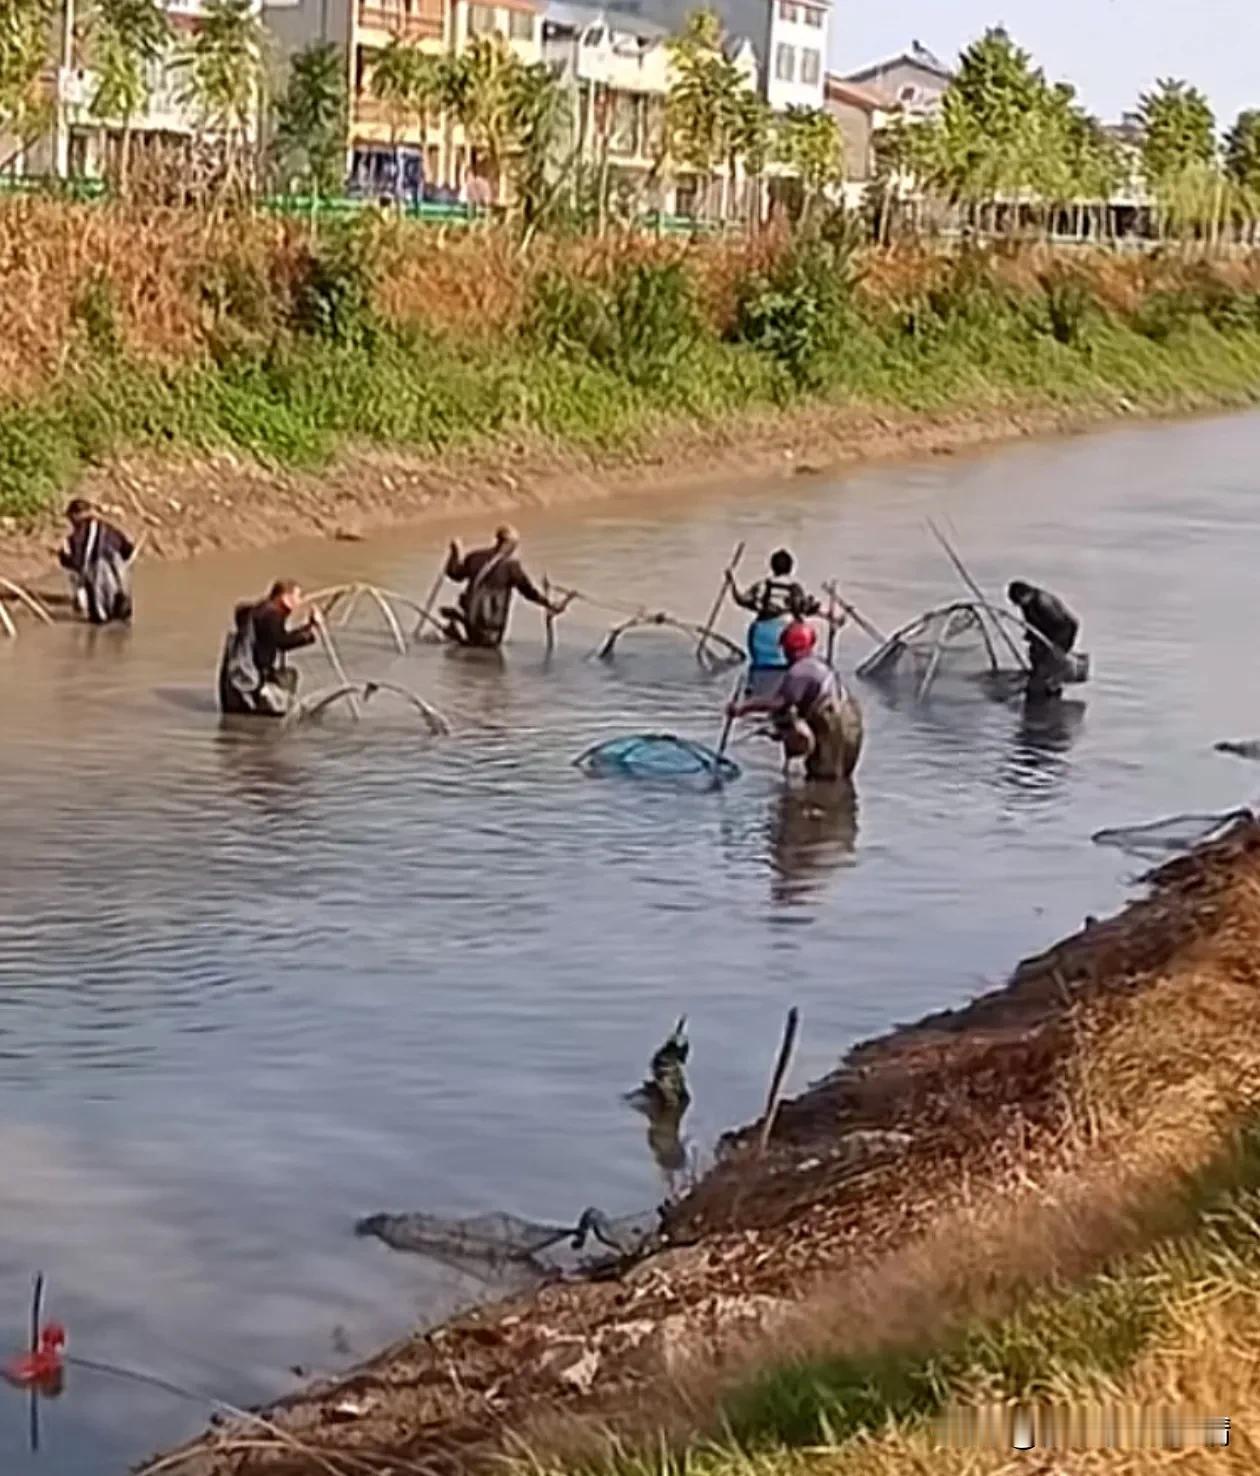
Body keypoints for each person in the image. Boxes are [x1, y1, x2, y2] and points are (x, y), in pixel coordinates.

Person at [728, 620, 863, 782]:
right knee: (840, 778)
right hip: (851, 725)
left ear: (789, 649)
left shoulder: (799, 671)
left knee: (823, 778)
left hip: (833, 725)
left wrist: (743, 707)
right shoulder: (819, 664)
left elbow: (779, 702)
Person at [440, 525, 564, 649]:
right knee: (488, 653)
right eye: (515, 545)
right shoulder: (511, 566)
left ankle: (457, 629)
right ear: (510, 544)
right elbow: (528, 591)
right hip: (491, 622)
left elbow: (454, 574)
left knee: (471, 647)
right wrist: (548, 603)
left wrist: (455, 554)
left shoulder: (475, 557)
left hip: (470, 615)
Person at [218, 580, 321, 717]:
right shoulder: (269, 614)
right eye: (297, 597)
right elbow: (281, 642)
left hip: (237, 680)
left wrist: (308, 628)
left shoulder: (261, 611)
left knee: (288, 676)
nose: (299, 602)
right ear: (285, 598)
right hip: (245, 681)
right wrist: (309, 633)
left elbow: (274, 639)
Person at [730, 549, 820, 672]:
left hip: (760, 634)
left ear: (772, 566)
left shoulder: (762, 585)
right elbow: (804, 609)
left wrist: (732, 582)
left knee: (760, 670)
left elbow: (741, 600)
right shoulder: (795, 588)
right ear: (791, 568)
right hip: (788, 638)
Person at [58, 498, 135, 625]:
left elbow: (77, 563)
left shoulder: (77, 537)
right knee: (120, 622)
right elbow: (127, 549)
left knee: (99, 622)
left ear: (76, 516)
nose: (70, 522)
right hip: (118, 583)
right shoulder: (110, 529)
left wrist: (64, 557)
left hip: (98, 583)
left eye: (71, 518)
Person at [1008, 580, 1079, 700]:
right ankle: (1042, 693)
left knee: (1050, 664)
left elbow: (1063, 624)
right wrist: (1031, 635)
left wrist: (1055, 645)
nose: (1018, 606)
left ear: (1026, 595)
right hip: (1045, 634)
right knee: (1036, 657)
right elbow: (1031, 621)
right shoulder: (1026, 604)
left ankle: (1050, 689)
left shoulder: (1043, 603)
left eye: (1019, 602)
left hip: (1062, 632)